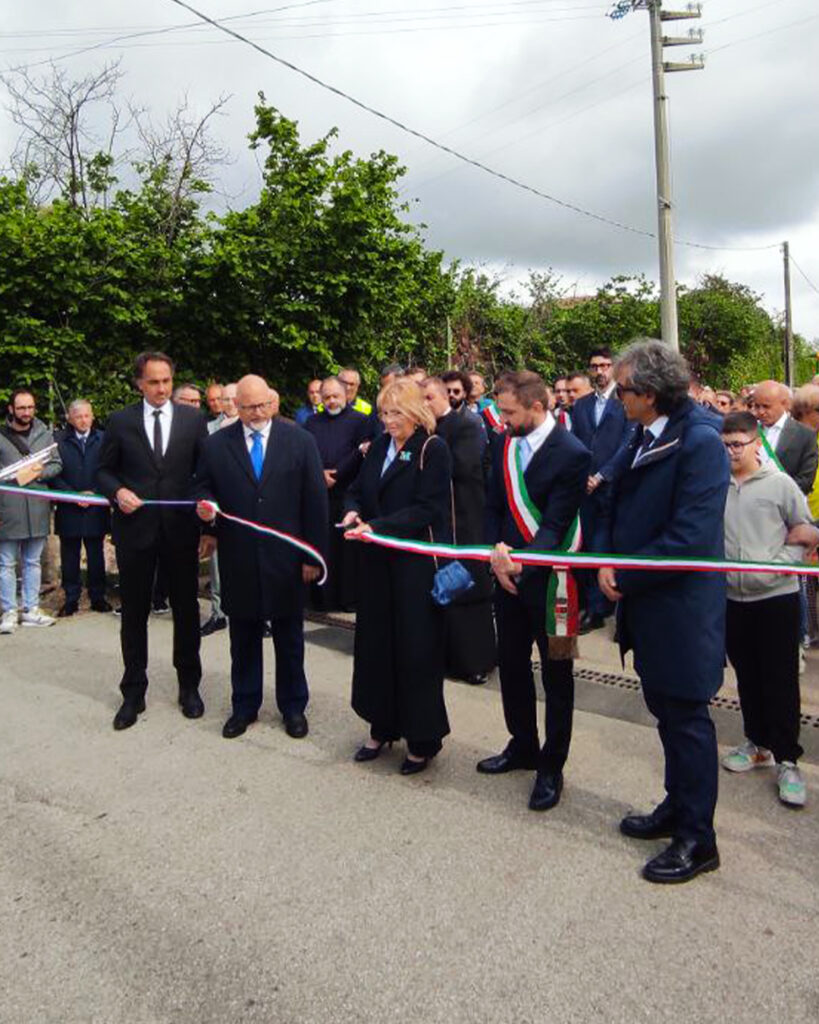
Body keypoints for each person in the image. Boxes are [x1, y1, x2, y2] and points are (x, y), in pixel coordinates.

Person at [599, 339, 730, 884]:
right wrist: (608, 560)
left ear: (649, 394)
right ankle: (677, 807)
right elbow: (616, 497)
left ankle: (699, 839)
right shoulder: (645, 431)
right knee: (667, 716)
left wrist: (623, 574)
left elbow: (690, 539)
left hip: (680, 610)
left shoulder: (700, 442)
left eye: (623, 390)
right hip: (650, 605)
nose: (617, 399)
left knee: (687, 722)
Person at [478, 371, 590, 813]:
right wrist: (495, 554)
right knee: (511, 664)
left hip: (553, 581)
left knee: (557, 674)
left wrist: (521, 564)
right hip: (507, 576)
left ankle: (551, 765)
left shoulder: (573, 453)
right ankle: (522, 743)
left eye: (509, 412)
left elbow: (556, 524)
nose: (502, 420)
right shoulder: (503, 442)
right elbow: (493, 505)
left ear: (537, 407)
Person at [196, 374, 328, 740]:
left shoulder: (300, 441)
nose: (257, 413)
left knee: (289, 640)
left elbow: (315, 501)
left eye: (262, 405)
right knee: (243, 639)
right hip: (239, 557)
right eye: (249, 407)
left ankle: (293, 707)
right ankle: (244, 706)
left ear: (272, 401)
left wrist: (312, 555)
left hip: (287, 559)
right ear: (234, 407)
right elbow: (202, 486)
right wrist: (206, 514)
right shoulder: (216, 445)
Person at [342, 377, 453, 775]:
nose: (389, 421)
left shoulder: (432, 449)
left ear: (415, 413)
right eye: (385, 414)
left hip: (413, 567)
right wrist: (353, 511)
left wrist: (377, 526)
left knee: (416, 651)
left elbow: (428, 508)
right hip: (376, 564)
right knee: (376, 646)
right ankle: (381, 725)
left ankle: (422, 739)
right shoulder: (379, 447)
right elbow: (356, 489)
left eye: (396, 414)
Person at [97, 352, 211, 731]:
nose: (161, 389)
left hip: (180, 531)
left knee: (186, 611)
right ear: (139, 384)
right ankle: (133, 691)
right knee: (133, 613)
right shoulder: (120, 421)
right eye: (153, 382)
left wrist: (207, 520)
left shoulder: (193, 420)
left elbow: (205, 473)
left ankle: (189, 686)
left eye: (166, 381)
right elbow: (103, 471)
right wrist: (118, 492)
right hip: (135, 532)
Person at [720, 411, 816, 808]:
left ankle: (788, 759)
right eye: (725, 446)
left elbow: (805, 532)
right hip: (732, 599)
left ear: (756, 443)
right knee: (747, 676)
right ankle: (757, 742)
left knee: (780, 679)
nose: (731, 453)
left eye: (738, 445)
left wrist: (775, 566)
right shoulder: (717, 485)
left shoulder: (780, 485)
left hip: (776, 597)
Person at [423, 376, 496, 686]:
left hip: (466, 518)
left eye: (429, 398)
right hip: (440, 522)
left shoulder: (466, 425)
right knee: (444, 589)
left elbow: (464, 467)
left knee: (469, 589)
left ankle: (475, 661)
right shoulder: (428, 429)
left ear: (443, 398)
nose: (424, 404)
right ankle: (446, 658)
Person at [570, 347, 636, 633]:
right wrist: (582, 475)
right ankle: (589, 604)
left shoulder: (625, 401)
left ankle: (601, 608)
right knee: (585, 545)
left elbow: (628, 444)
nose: (599, 371)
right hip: (585, 488)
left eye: (605, 365)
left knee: (605, 545)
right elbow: (575, 442)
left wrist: (601, 476)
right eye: (594, 366)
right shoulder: (582, 405)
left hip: (613, 485)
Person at [304, 376, 373, 611]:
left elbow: (361, 453)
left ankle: (348, 599)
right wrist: (320, 474)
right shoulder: (312, 422)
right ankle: (322, 599)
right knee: (324, 544)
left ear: (346, 396)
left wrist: (338, 474)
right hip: (320, 492)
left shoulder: (360, 421)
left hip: (347, 493)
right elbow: (307, 452)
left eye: (336, 396)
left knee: (347, 549)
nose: (332, 401)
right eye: (327, 397)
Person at [0, 388, 62, 634]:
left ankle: (31, 609)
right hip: (8, 507)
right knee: (6, 563)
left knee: (32, 562)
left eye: (30, 407)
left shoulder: (45, 434)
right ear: (11, 409)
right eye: (21, 408)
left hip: (37, 507)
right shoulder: (1, 436)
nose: (26, 412)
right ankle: (9, 611)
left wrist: (38, 473)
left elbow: (56, 464)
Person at [51, 400, 112, 617]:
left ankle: (98, 597)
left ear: (93, 416)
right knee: (69, 555)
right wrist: (72, 495)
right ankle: (71, 599)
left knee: (96, 554)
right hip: (69, 507)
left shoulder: (104, 439)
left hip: (96, 506)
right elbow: (53, 474)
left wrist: (95, 493)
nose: (84, 420)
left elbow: (110, 470)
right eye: (78, 416)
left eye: (87, 416)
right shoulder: (58, 441)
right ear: (70, 419)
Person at [752, 380, 818, 494]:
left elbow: (806, 480)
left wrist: (773, 493)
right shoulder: (748, 430)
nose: (761, 412)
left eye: (766, 406)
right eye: (757, 406)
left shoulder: (805, 435)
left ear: (784, 403)